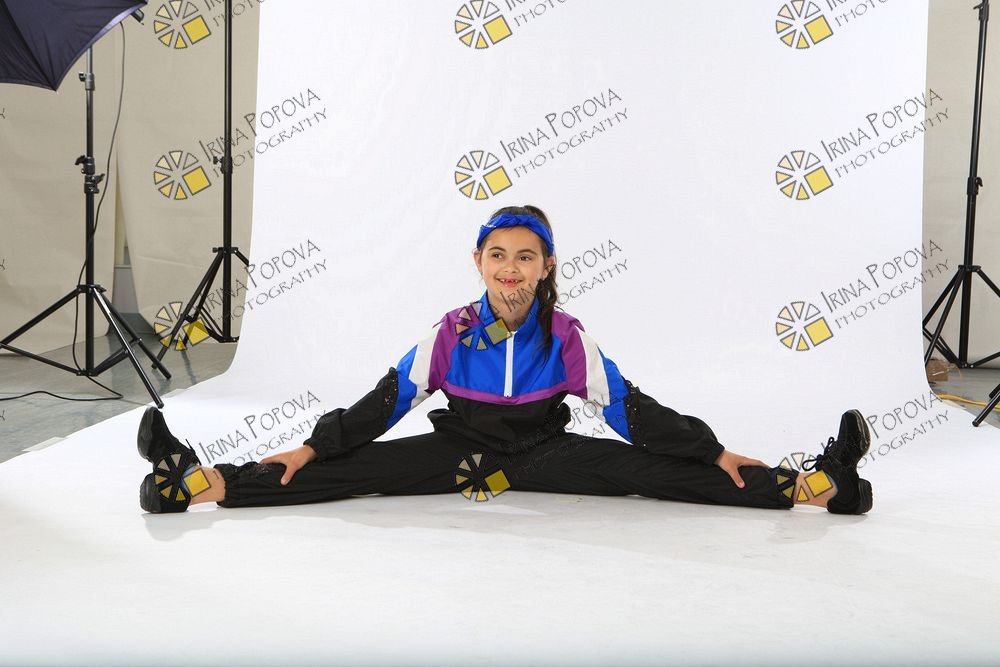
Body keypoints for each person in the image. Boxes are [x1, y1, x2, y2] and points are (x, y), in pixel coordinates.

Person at [137, 205, 873, 515]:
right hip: (460, 453)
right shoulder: (451, 333)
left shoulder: (568, 337)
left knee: (659, 475)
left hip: (544, 453)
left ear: (546, 265)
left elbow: (630, 410)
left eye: (525, 257)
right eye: (498, 256)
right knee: (346, 471)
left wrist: (710, 450)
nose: (511, 270)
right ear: (479, 262)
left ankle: (824, 485)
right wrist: (313, 445)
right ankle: (192, 482)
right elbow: (385, 402)